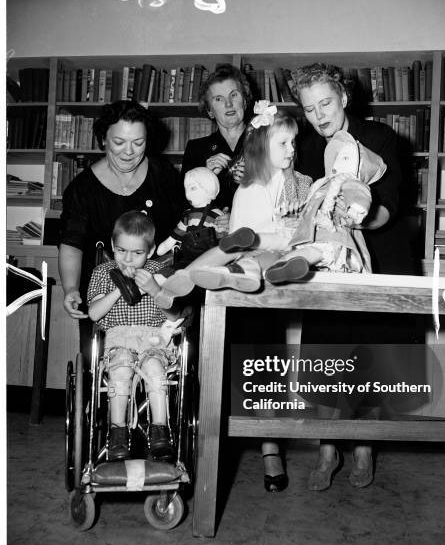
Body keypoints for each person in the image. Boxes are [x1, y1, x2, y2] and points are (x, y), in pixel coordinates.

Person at [153, 102, 312, 492]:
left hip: (269, 286)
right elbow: (245, 235)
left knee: (266, 366)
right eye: (284, 142)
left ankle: (269, 446)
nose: (292, 149)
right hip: (241, 283)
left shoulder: (295, 183)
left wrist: (292, 230)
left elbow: (301, 225)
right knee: (228, 368)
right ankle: (210, 452)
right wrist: (279, 234)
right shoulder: (249, 187)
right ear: (260, 146)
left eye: (294, 142)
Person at [292, 62, 418, 490]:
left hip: (379, 258)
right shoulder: (307, 146)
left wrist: (356, 219)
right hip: (329, 263)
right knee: (327, 353)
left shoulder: (380, 137)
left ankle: (364, 448)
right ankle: (328, 450)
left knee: (371, 357)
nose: (319, 115)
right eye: (309, 109)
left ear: (344, 98)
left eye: (325, 103)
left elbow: (389, 205)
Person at [58, 100, 185, 349]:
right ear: (103, 139)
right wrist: (71, 289)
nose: (129, 152)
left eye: (138, 143)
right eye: (119, 142)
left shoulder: (164, 175)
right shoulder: (82, 189)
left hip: (156, 291)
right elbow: (72, 245)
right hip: (104, 295)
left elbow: (182, 229)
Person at [87, 211, 182, 462]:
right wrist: (120, 289)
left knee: (154, 370)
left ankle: (160, 431)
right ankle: (117, 432)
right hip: (119, 340)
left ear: (150, 251)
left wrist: (154, 288)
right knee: (120, 370)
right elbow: (94, 314)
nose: (128, 259)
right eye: (121, 251)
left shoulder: (160, 271)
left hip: (154, 341)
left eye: (137, 253)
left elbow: (174, 315)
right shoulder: (103, 272)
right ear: (112, 246)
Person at [181, 63, 253, 211]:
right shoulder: (196, 149)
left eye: (234, 95)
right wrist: (204, 177)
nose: (228, 104)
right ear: (210, 111)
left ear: (245, 101)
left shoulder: (268, 141)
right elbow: (183, 207)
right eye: (218, 99)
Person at [156, 167, 226, 269]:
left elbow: (224, 242)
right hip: (189, 258)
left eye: (192, 188)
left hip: (211, 261)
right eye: (186, 189)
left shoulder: (217, 215)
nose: (188, 194)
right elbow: (176, 234)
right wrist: (166, 246)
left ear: (208, 186)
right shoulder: (187, 215)